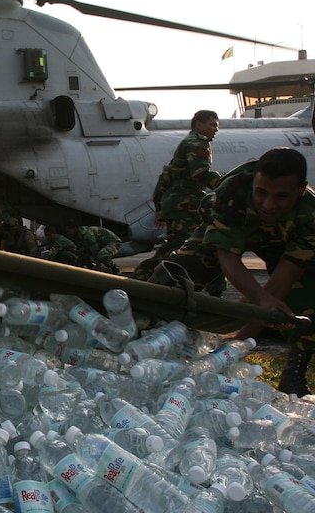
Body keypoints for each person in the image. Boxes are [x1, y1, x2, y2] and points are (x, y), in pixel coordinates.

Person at [148, 147, 315, 395]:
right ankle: (147, 342)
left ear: (301, 190)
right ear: (253, 184)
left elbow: (283, 280)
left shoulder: (310, 214)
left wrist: (237, 346)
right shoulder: (235, 188)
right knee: (177, 277)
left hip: (281, 242)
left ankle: (294, 375)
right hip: (228, 231)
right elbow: (227, 256)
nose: (268, 204)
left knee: (309, 293)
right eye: (261, 193)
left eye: (281, 196)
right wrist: (260, 299)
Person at [131, 110, 222, 280]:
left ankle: (145, 278)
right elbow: (201, 173)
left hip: (177, 203)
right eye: (212, 125)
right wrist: (225, 184)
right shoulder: (198, 143)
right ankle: (142, 278)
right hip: (187, 203)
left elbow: (166, 175)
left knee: (181, 243)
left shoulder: (187, 142)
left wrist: (160, 204)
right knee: (187, 243)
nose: (215, 129)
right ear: (199, 125)